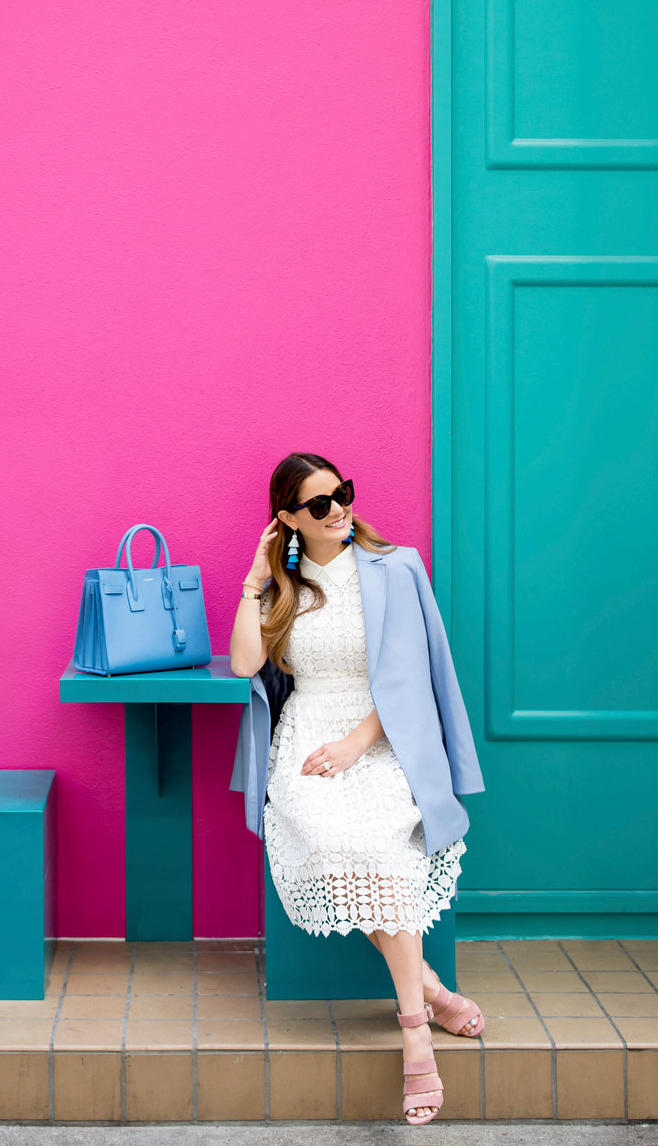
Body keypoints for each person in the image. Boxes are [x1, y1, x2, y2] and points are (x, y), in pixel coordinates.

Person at [229, 452, 486, 1126]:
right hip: (306, 741)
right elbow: (243, 663)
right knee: (333, 838)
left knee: (377, 846)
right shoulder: (284, 585)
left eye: (341, 493)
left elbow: (409, 674)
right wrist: (259, 576)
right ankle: (429, 990)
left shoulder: (395, 566)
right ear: (287, 517)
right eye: (318, 504)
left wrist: (355, 743)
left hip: (380, 740)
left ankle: (414, 1031)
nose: (338, 509)